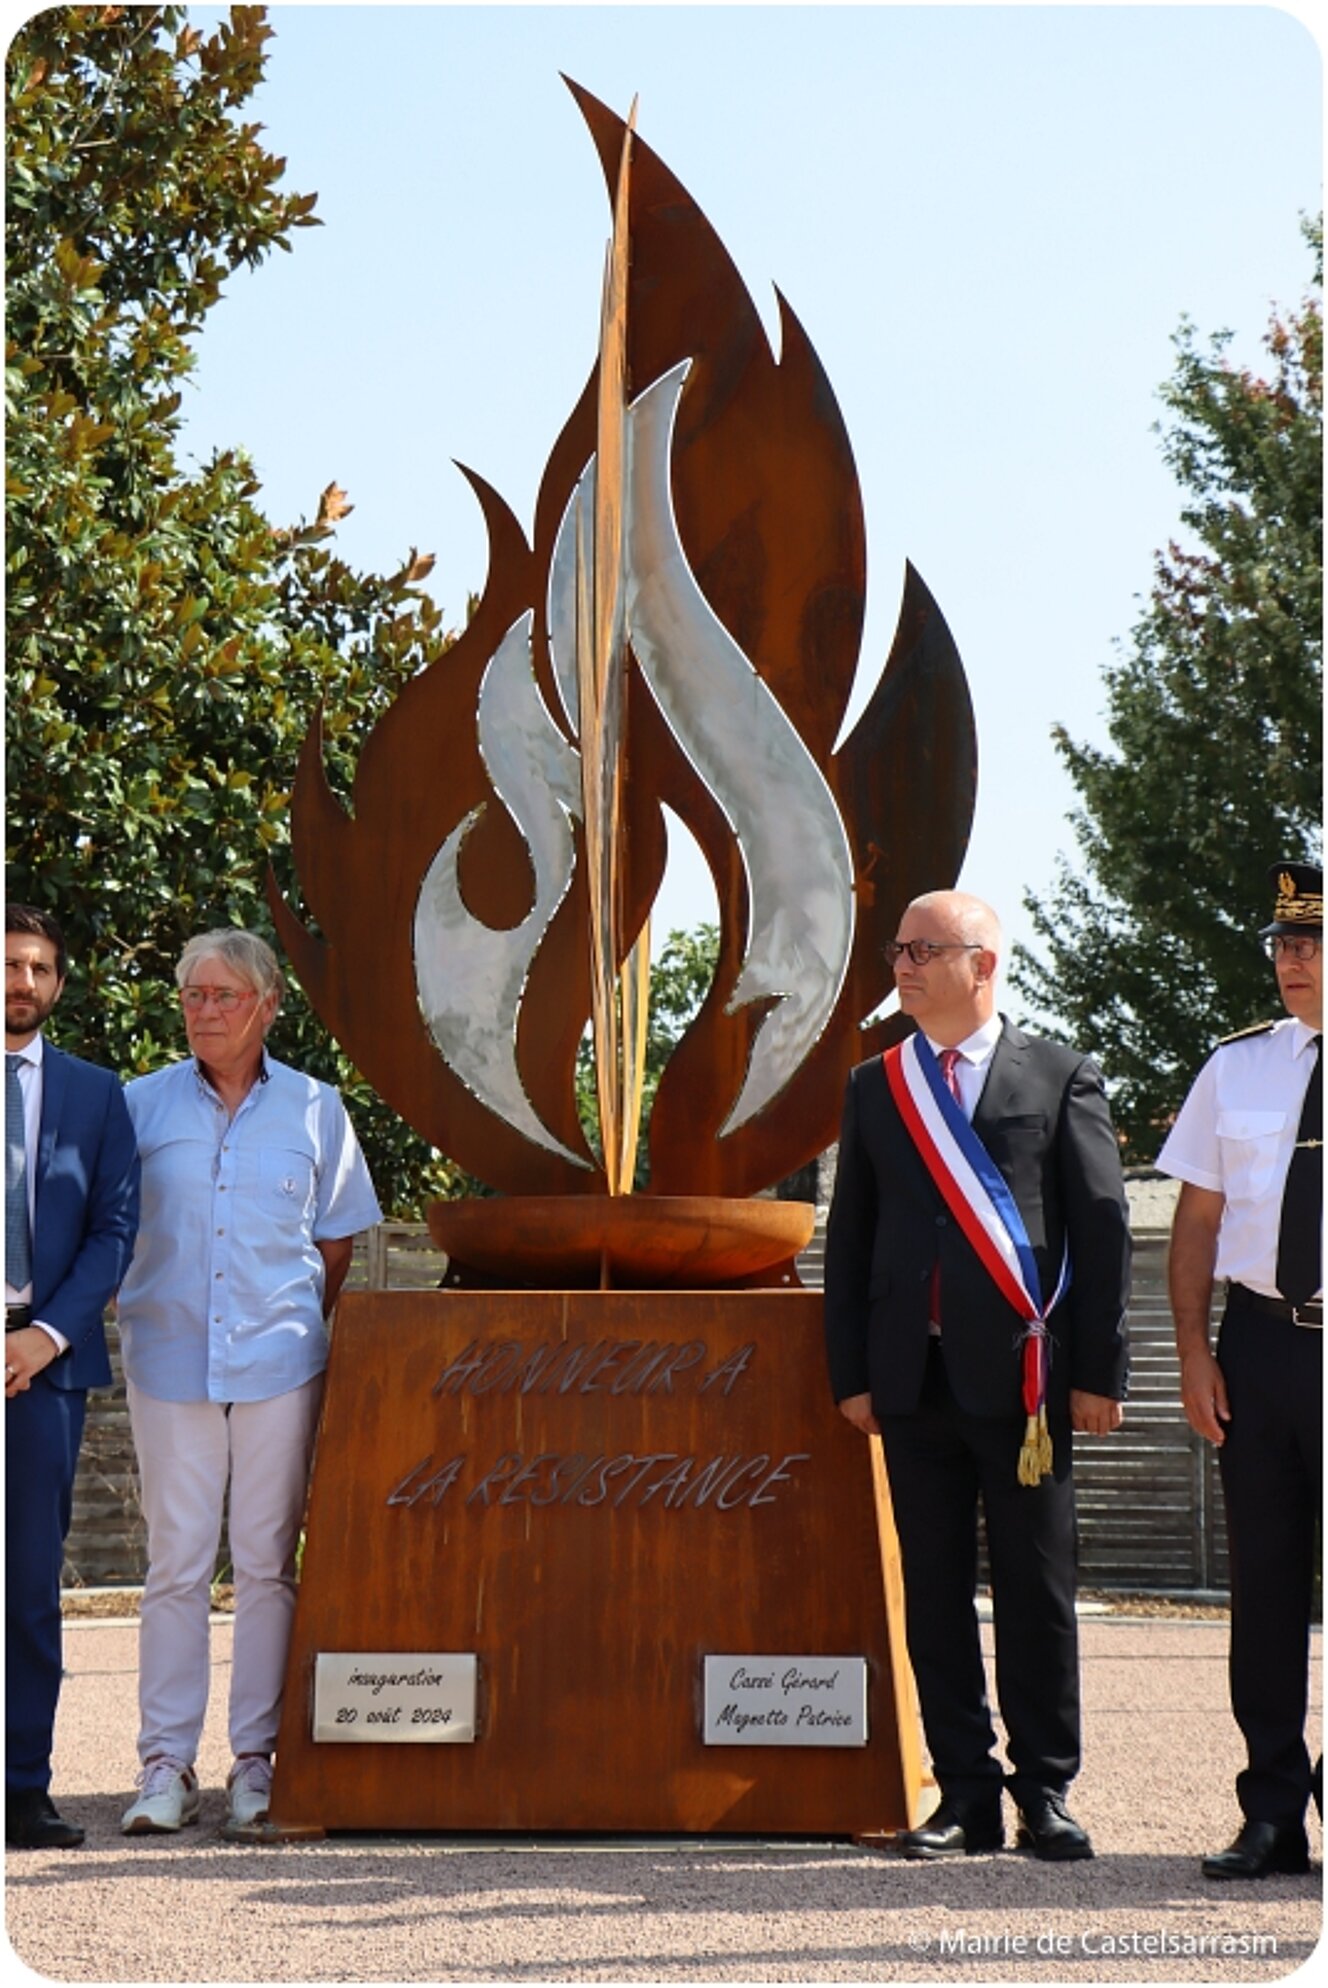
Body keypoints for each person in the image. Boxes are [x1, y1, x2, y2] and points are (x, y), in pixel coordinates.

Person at [824, 890, 1130, 1861]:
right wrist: (850, 1372)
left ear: (982, 963)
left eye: (922, 949)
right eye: (896, 949)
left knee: (1037, 1588)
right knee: (933, 1588)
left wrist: (1096, 1369)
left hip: (1028, 1383)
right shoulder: (877, 1085)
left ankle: (1043, 1789)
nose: (901, 965)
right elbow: (852, 1240)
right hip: (909, 1382)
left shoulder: (1058, 1074)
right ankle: (962, 1791)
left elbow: (1101, 1224)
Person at [115, 929, 381, 1834]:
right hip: (168, 1362)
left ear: (269, 1006)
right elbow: (111, 1230)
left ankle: (256, 1765)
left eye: (226, 996)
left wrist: (290, 1321)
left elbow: (336, 1243)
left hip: (278, 1368)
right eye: (194, 996)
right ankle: (164, 1767)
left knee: (268, 1567)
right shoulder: (137, 1107)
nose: (206, 1012)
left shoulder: (316, 1108)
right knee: (176, 1568)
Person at [1157, 860, 1322, 1881]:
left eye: (1310, 941)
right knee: (1261, 1588)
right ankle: (1269, 1809)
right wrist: (1188, 1350)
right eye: (1281, 943)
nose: (1291, 959)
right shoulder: (1235, 1067)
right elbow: (1196, 1220)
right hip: (1259, 1346)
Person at [6, 904, 140, 1849]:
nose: (23, 983)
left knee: (25, 1589)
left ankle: (21, 1788)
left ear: (59, 983)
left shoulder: (98, 1095)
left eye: (38, 969)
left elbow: (115, 1232)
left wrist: (46, 1335)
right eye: (11, 965)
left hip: (43, 1372)